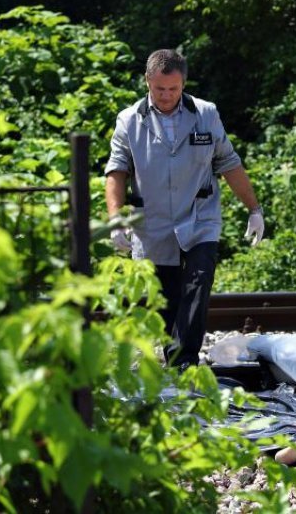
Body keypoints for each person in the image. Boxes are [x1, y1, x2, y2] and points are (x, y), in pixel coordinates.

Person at [105, 49, 264, 369]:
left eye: (173, 89)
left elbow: (229, 163)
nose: (166, 96)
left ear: (184, 84)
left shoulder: (206, 114)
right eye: (159, 89)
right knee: (164, 300)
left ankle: (184, 362)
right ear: (147, 82)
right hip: (152, 222)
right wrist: (115, 220)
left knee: (198, 279)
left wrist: (254, 209)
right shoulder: (129, 120)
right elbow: (116, 171)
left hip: (199, 216)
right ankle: (173, 346)